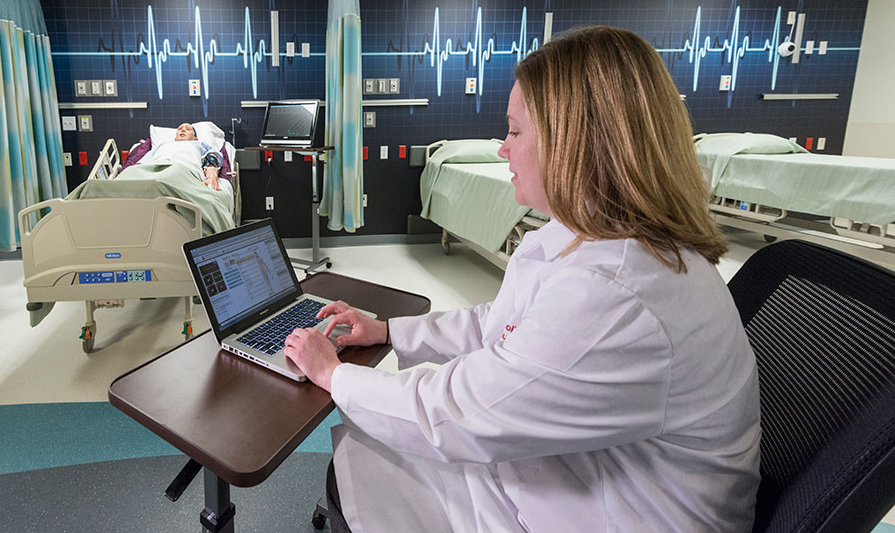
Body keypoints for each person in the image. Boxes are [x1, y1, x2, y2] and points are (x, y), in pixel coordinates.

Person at [284, 26, 761, 532]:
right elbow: (506, 325)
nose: (501, 150)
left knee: (371, 455)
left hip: (619, 513)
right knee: (370, 446)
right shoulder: (597, 237)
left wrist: (333, 374)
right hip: (587, 473)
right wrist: (387, 331)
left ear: (574, 141)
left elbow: (456, 414)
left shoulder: (617, 292)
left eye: (514, 131)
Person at [136, 123, 222, 191]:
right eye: (180, 129)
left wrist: (211, 175)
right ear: (175, 137)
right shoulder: (162, 145)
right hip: (152, 169)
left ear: (195, 138)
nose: (183, 130)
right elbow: (141, 163)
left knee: (168, 177)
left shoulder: (199, 144)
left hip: (181, 169)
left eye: (188, 129)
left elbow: (213, 156)